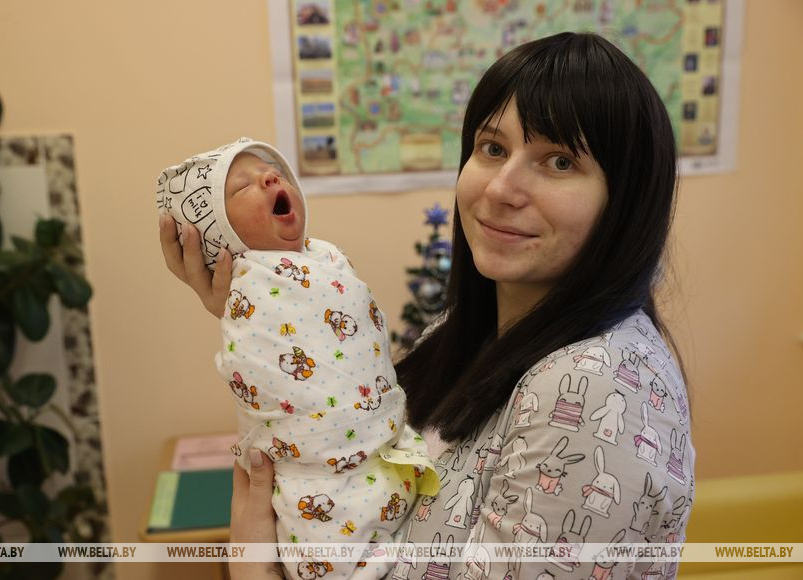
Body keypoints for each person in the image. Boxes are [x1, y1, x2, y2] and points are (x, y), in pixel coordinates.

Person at [159, 32, 695, 579]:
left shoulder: (597, 388)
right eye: (493, 149)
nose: (501, 189)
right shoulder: (461, 331)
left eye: (559, 161)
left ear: (625, 201)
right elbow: (344, 441)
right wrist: (262, 313)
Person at [156, 137, 439, 580]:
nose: (271, 177)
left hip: (381, 447)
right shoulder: (245, 288)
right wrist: (234, 310)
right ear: (220, 235)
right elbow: (253, 367)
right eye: (242, 186)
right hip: (315, 470)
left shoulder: (326, 258)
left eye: (273, 173)